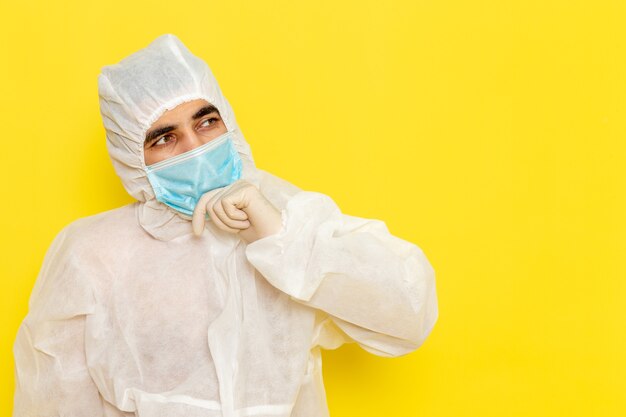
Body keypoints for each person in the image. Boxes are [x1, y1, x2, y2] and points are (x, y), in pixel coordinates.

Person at [12, 33, 439, 417]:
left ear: (227, 121)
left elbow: (408, 314)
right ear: (130, 156)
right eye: (164, 138)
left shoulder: (284, 215)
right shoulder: (93, 253)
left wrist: (279, 238)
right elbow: (52, 405)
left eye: (206, 121)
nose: (195, 147)